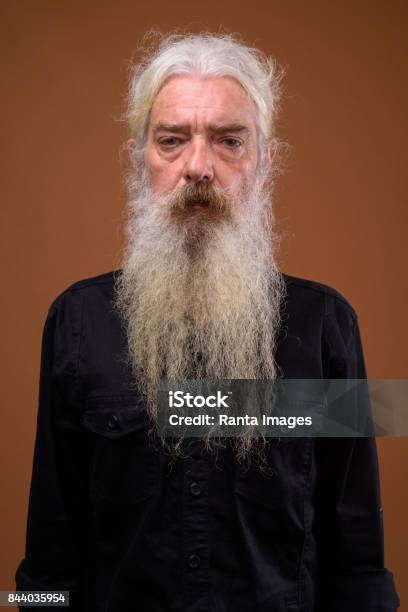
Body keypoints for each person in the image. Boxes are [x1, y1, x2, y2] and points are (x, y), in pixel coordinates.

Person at [15, 32, 400, 611]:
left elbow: (357, 555)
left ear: (266, 161)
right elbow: (52, 544)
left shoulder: (327, 323)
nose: (198, 167)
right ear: (139, 157)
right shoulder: (77, 319)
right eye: (172, 141)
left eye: (229, 141)